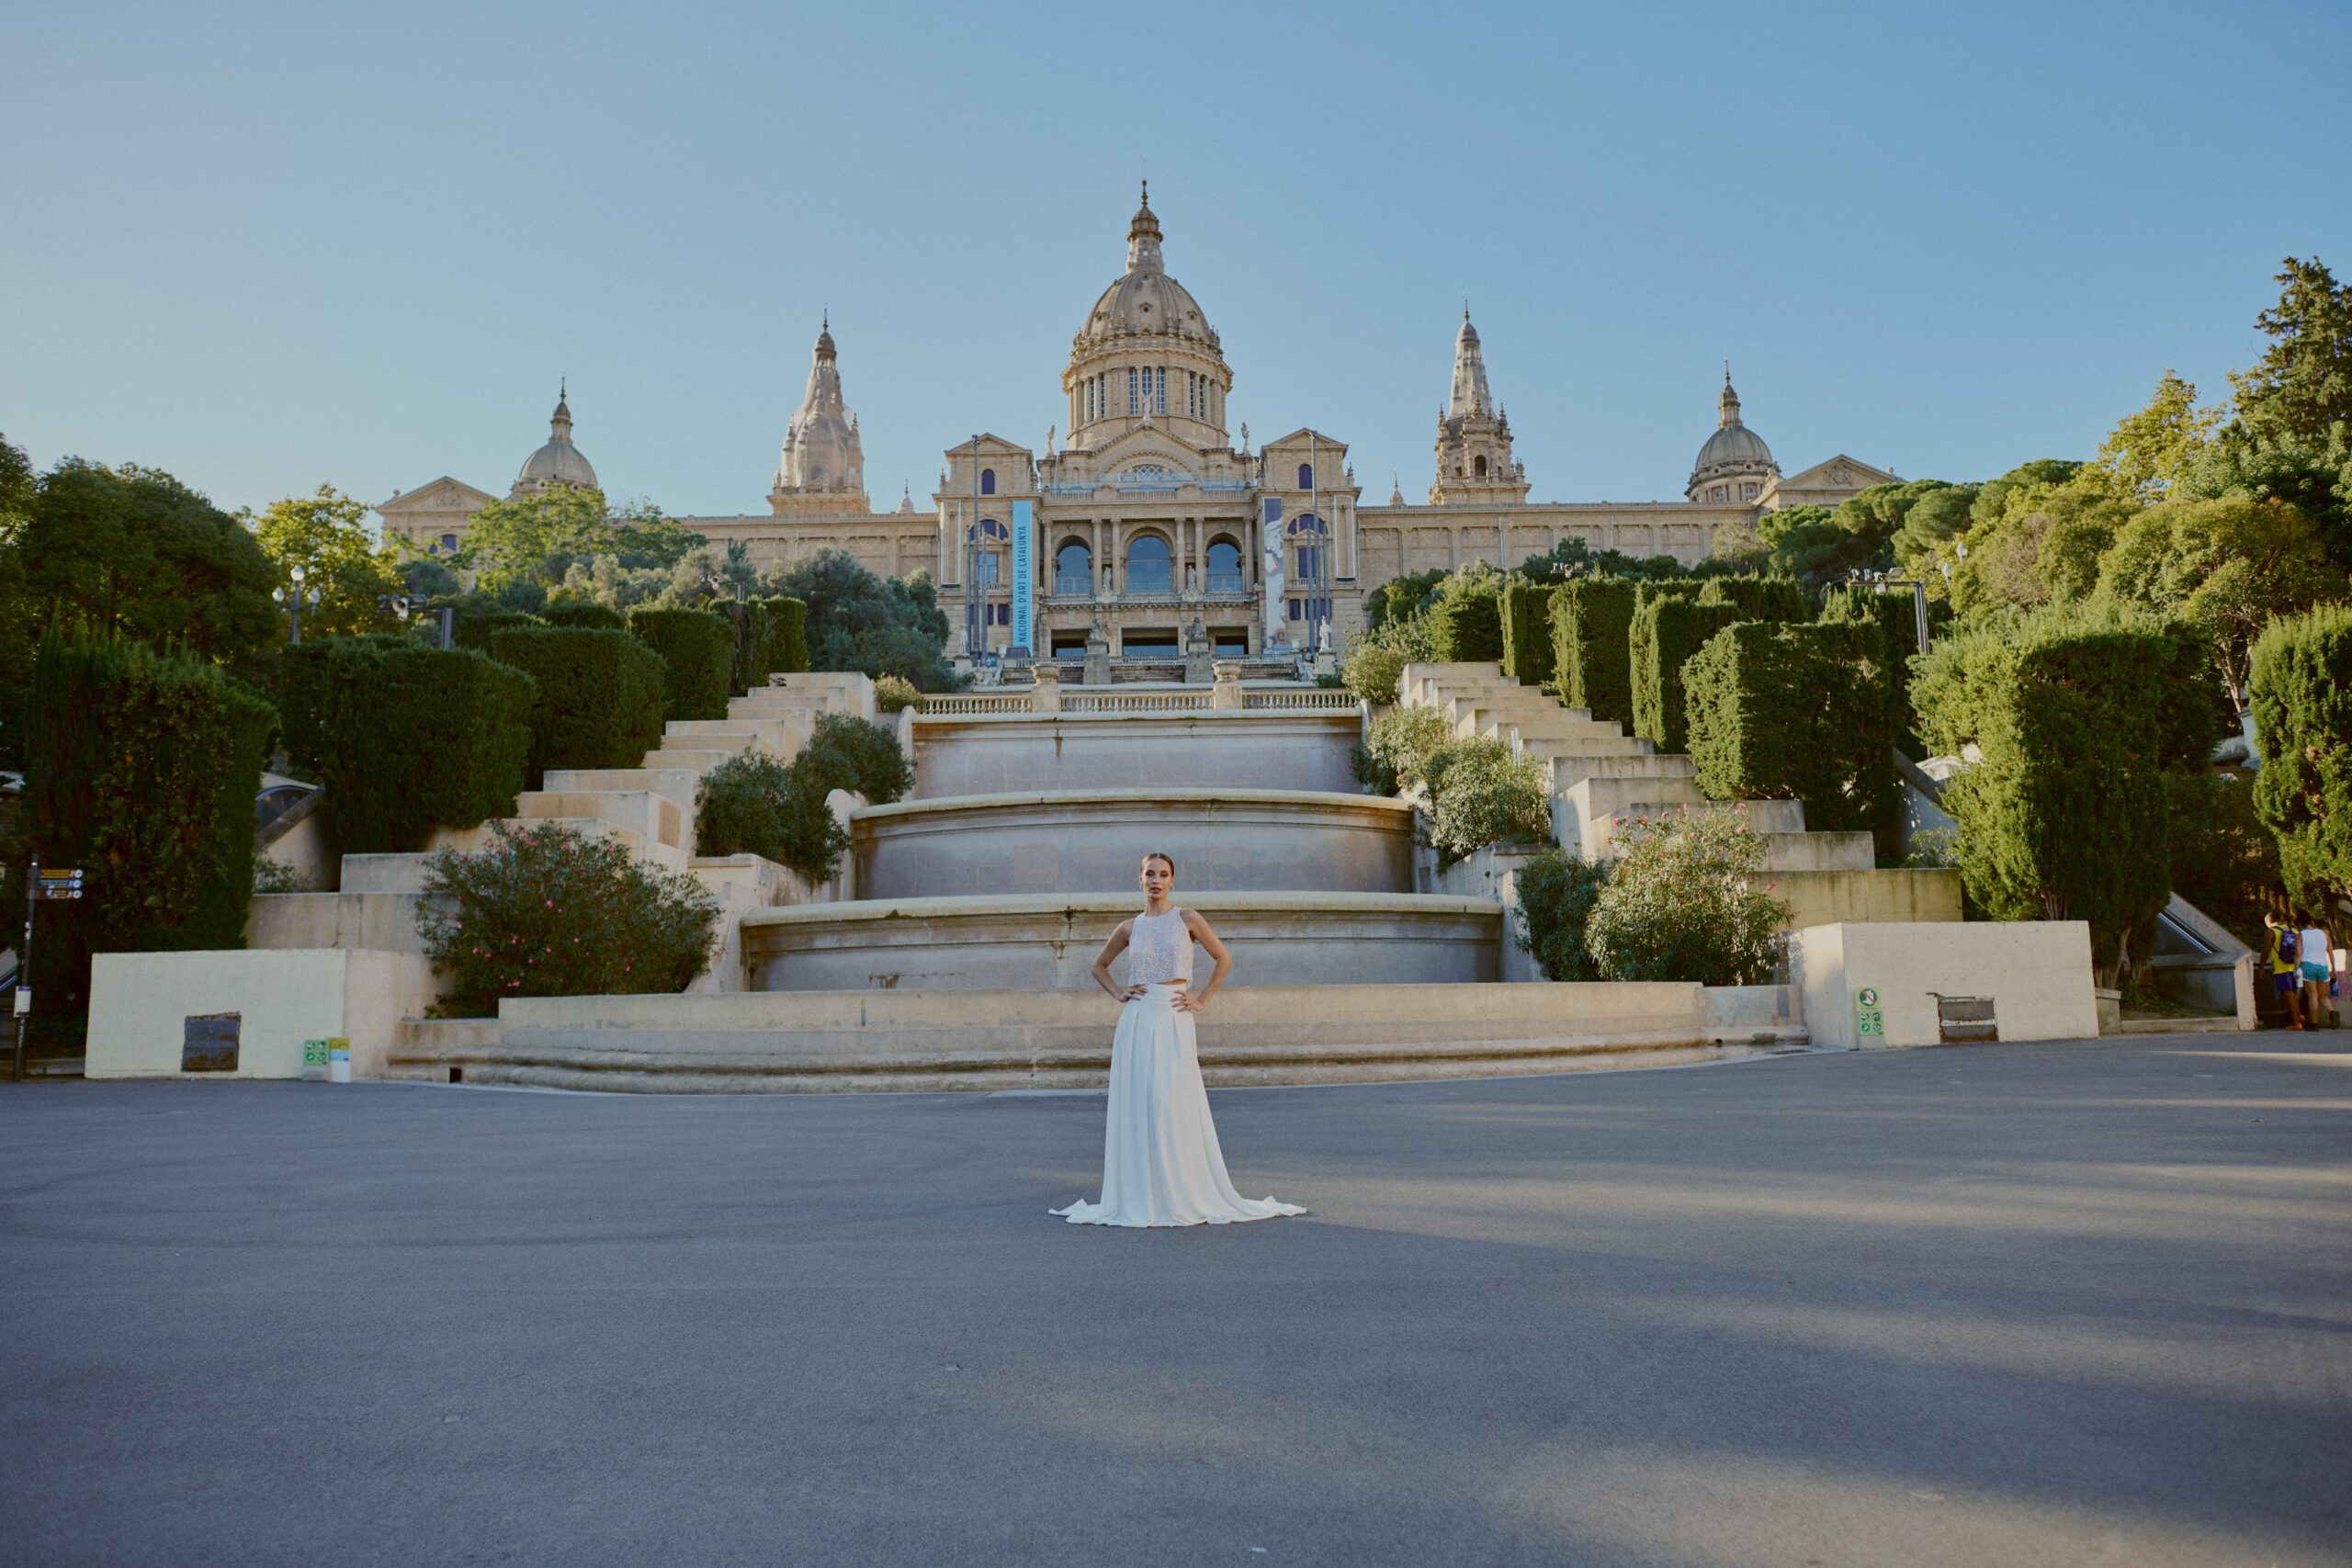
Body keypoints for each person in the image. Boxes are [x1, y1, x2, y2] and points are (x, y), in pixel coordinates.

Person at [1051, 853, 1306, 1228]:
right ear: (1139, 879)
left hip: (1174, 1016)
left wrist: (1202, 999)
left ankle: (1180, 1190)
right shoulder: (1128, 927)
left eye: (1163, 875)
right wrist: (1119, 993)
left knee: (1168, 1101)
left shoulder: (1187, 919)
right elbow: (1098, 966)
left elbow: (1223, 958)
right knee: (1141, 1103)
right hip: (1137, 1020)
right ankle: (1144, 1194)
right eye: (1149, 874)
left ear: (1172, 881)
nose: (1156, 880)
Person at [2264, 913, 2305, 1030]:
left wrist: (2261, 967)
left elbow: (2266, 951)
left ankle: (2296, 1023)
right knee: (2292, 994)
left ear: (2269, 921)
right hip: (2296, 966)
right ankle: (2300, 1016)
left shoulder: (2271, 932)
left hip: (2281, 968)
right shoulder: (2295, 931)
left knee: (2288, 994)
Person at [2299, 914, 2336, 1029]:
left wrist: (2296, 969)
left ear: (2300, 924)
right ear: (2312, 922)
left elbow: (2297, 954)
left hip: (2308, 966)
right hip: (2323, 967)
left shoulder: (2300, 935)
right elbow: (2330, 952)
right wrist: (2333, 968)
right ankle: (2332, 1013)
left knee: (2313, 996)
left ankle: (2314, 1024)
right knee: (2322, 995)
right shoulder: (2324, 934)